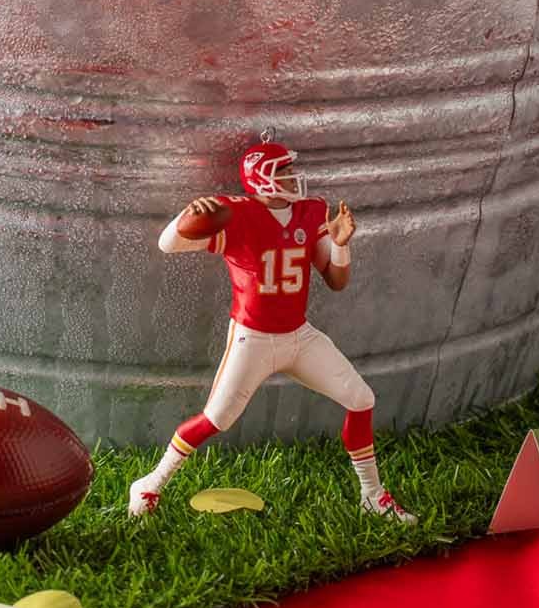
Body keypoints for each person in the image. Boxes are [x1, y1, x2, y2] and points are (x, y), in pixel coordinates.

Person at [127, 141, 414, 522]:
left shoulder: (311, 212)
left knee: (361, 398)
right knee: (217, 418)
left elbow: (336, 280)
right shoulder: (237, 214)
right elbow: (168, 244)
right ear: (260, 178)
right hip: (253, 338)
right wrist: (185, 218)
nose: (291, 177)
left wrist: (342, 246)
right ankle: (149, 482)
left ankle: (372, 495)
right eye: (281, 171)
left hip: (299, 336)